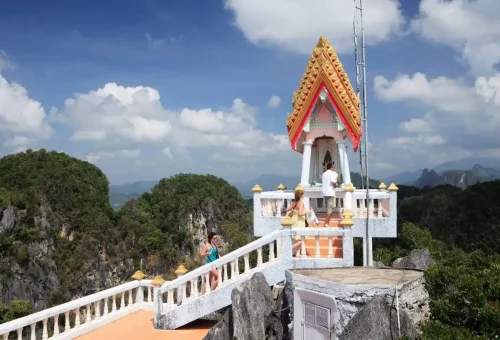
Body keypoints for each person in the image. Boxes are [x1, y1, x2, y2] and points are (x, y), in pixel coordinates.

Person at [286, 189, 313, 256]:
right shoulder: (301, 203)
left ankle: (298, 254)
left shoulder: (293, 202)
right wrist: (308, 211)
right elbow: (300, 213)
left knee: (299, 238)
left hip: (294, 220)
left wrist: (293, 211)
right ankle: (290, 248)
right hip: (299, 221)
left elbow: (287, 209)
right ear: (301, 195)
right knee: (303, 238)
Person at [322, 161, 338, 227]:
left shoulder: (324, 174)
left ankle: (327, 221)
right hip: (330, 193)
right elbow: (333, 181)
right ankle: (326, 223)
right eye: (333, 167)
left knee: (328, 208)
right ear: (331, 167)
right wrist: (335, 185)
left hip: (325, 193)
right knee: (330, 208)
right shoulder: (333, 173)